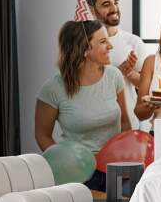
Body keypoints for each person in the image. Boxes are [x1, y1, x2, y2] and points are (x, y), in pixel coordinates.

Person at [35, 19, 131, 192]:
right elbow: (42, 135)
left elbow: (125, 123)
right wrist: (67, 163)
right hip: (79, 174)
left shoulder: (114, 76)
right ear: (85, 49)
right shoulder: (53, 89)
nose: (110, 46)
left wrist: (127, 161)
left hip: (116, 169)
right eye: (103, 42)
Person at [84, 0, 147, 131]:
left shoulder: (134, 43)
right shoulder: (81, 46)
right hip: (91, 131)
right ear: (92, 9)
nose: (114, 9)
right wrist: (115, 75)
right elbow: (76, 86)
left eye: (116, 2)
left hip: (128, 129)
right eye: (106, 4)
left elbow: (147, 88)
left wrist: (130, 74)